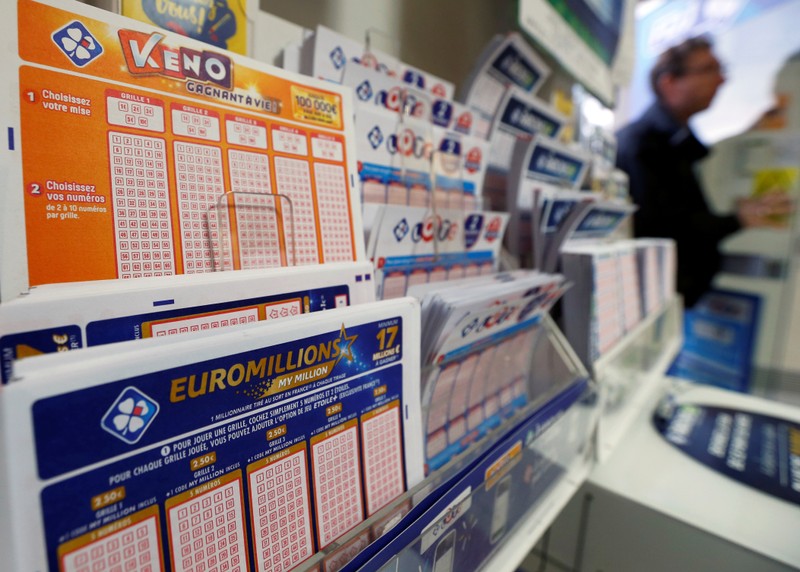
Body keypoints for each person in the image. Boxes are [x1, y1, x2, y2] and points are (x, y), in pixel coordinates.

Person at [616, 36, 791, 308]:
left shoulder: (677, 142)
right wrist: (737, 219)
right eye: (710, 69)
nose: (721, 80)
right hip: (652, 302)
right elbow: (665, 231)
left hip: (670, 300)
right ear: (669, 83)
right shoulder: (644, 145)